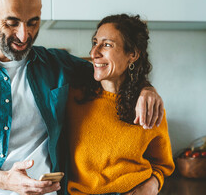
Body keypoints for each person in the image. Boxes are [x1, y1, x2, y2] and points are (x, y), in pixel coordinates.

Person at [0, 0, 164, 195]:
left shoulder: (57, 64)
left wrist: (146, 88)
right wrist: (6, 180)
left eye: (33, 22)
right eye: (12, 23)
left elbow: (111, 72)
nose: (23, 35)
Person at [66, 14, 175, 195]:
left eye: (107, 45)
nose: (94, 53)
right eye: (95, 43)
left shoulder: (149, 105)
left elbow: (162, 165)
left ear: (132, 54)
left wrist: (152, 184)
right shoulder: (73, 98)